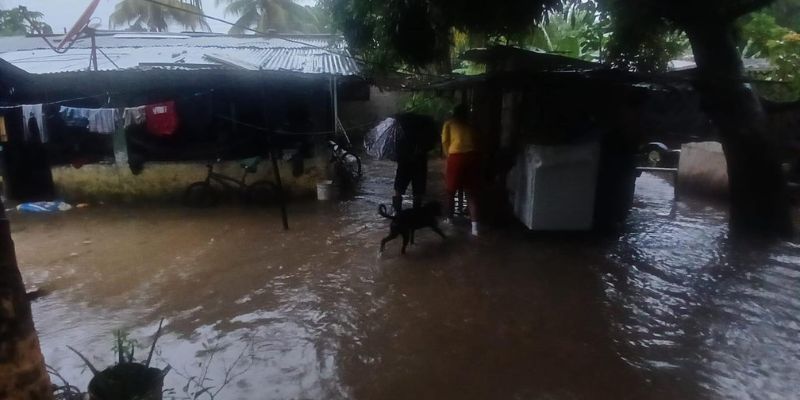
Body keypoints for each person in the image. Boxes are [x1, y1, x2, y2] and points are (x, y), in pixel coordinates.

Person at [442, 104, 481, 236]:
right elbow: (477, 142)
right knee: (471, 193)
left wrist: (448, 157)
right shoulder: (470, 126)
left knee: (450, 192)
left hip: (456, 157)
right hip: (473, 157)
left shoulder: (449, 124)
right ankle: (475, 228)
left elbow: (444, 142)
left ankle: (449, 220)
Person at [392, 113, 439, 212]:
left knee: (399, 189)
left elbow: (396, 153)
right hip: (420, 165)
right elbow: (431, 146)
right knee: (418, 191)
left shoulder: (401, 135)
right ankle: (416, 213)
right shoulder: (425, 137)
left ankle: (397, 213)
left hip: (404, 164)